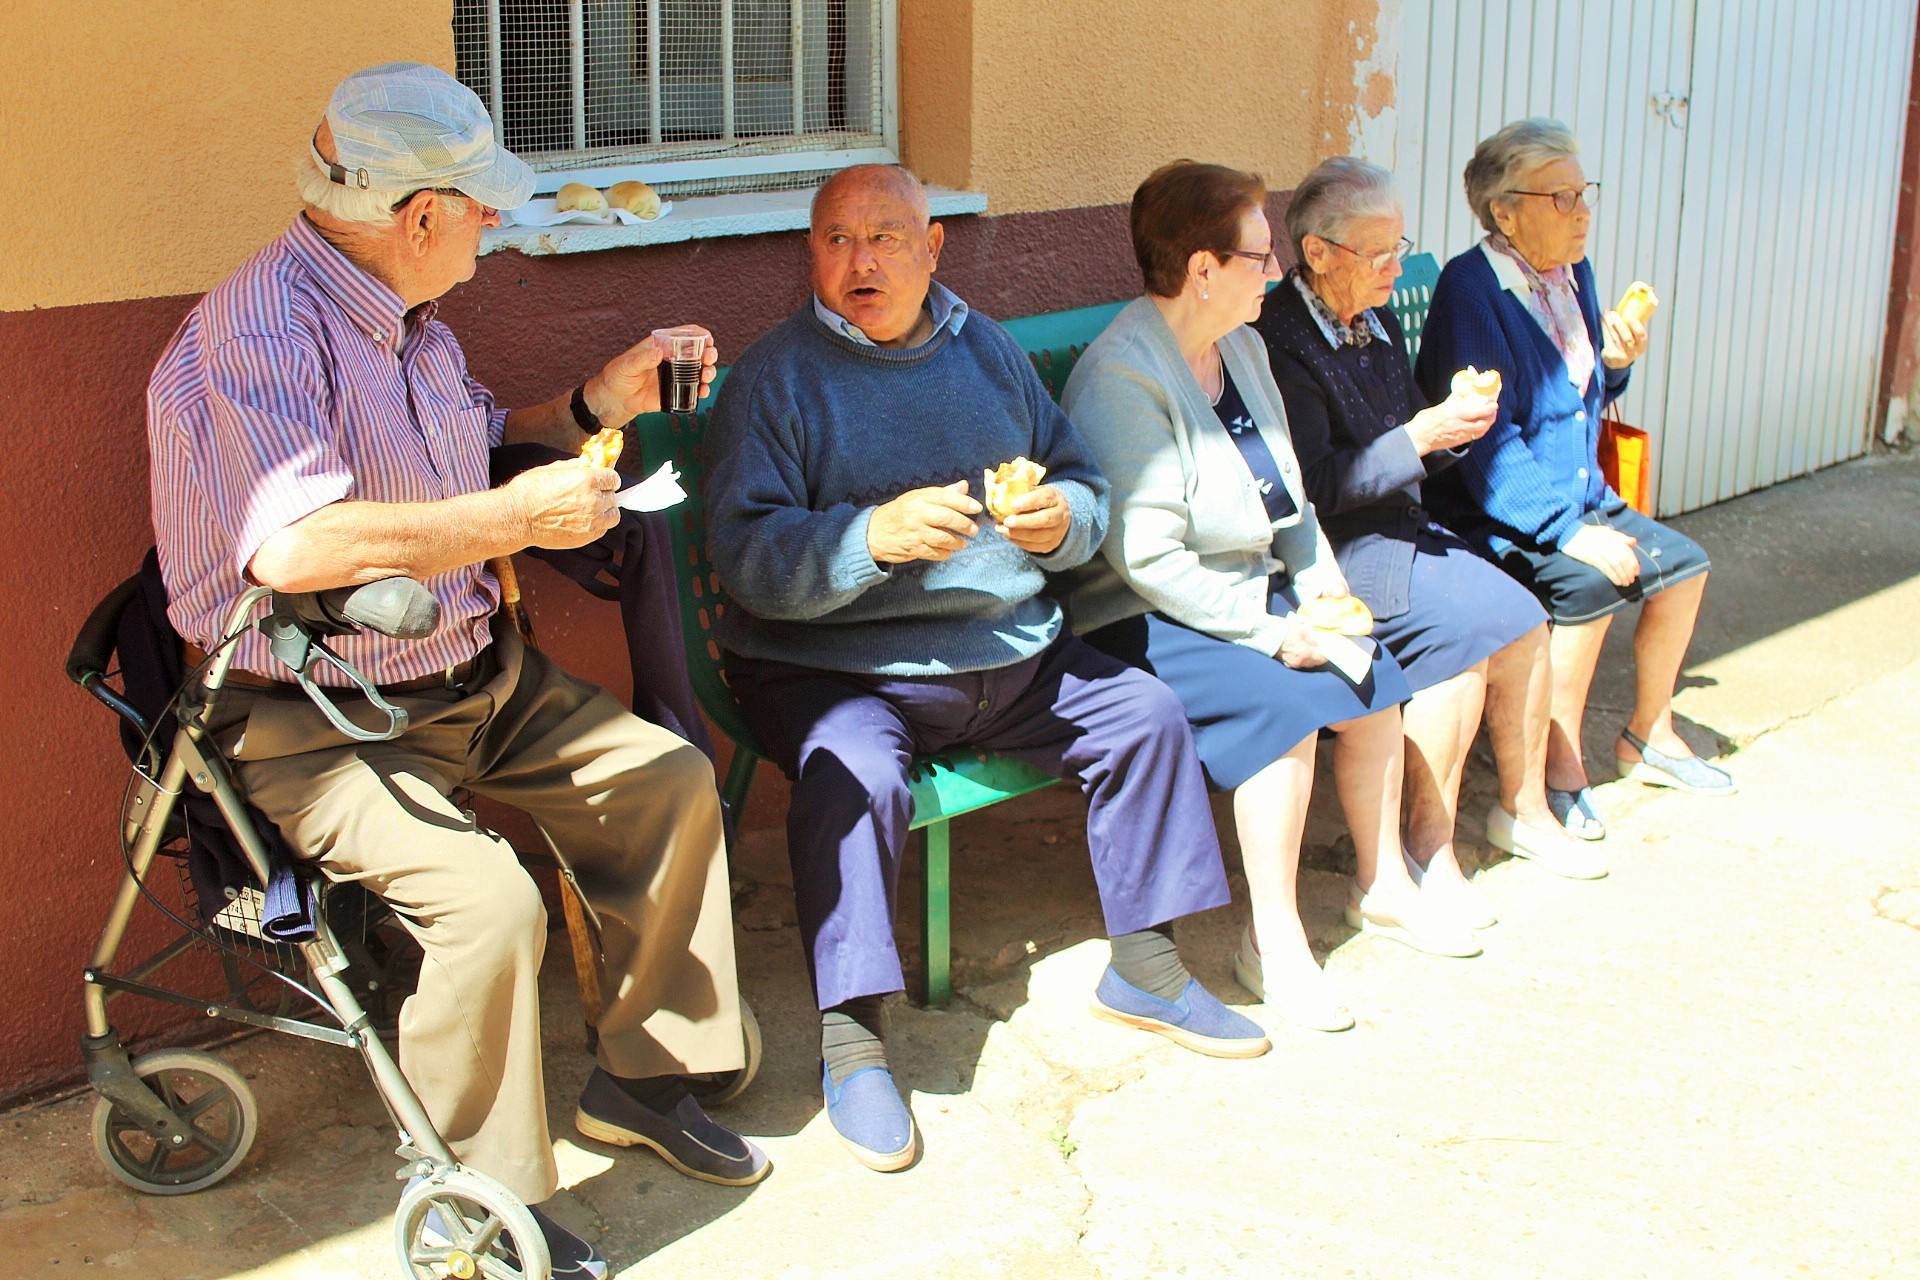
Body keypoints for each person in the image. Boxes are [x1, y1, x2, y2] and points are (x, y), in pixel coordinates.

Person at [146, 63, 767, 1277]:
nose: (496, 222)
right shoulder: (262, 328)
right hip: (315, 711)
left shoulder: (405, 315)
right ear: (418, 214)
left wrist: (598, 398)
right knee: (489, 905)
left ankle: (645, 1078)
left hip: (465, 673)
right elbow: (294, 544)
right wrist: (514, 520)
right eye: (480, 204)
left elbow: (472, 453)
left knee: (667, 781)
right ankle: (482, 1208)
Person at [706, 163, 1266, 1172]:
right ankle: (853, 1039)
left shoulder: (987, 351)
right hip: (839, 667)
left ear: (933, 249)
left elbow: (1085, 484)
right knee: (854, 774)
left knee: (1142, 712)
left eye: (884, 236)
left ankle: (1145, 963)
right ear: (811, 255)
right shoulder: (776, 378)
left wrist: (1062, 523)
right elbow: (748, 564)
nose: (859, 258)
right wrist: (870, 537)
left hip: (1005, 649)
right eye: (836, 239)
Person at [1063, 161, 1484, 1037]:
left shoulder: (1243, 348)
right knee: (1291, 703)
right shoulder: (1123, 377)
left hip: (1247, 593)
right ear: (1202, 269)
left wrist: (1324, 587)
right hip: (1143, 616)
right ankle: (1275, 941)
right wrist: (1271, 631)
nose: (1275, 272)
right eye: (1259, 255)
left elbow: (1289, 498)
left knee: (1375, 680)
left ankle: (1383, 889)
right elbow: (1145, 558)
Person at [1255, 156, 1607, 883]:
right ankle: (1428, 846)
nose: (1393, 268)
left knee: (1525, 621)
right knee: (1464, 643)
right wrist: (1421, 438)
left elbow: (1414, 430)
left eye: (1400, 248)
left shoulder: (1371, 315)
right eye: (1378, 252)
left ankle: (1524, 809)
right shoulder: (1278, 338)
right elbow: (1311, 486)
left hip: (1400, 530)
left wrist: (1456, 428)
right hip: (1332, 548)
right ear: (1316, 253)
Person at [1414, 118, 1734, 843]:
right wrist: (1569, 534)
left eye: (1582, 192)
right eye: (1561, 197)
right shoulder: (1473, 291)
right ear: (1505, 211)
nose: (1582, 210)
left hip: (1578, 493)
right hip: (1495, 509)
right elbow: (1485, 443)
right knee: (1588, 586)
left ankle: (1648, 735)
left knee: (1684, 568)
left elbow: (1579, 396)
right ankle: (1558, 769)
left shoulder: (1569, 274)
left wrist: (1620, 359)